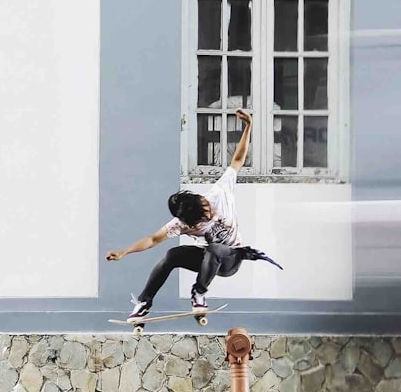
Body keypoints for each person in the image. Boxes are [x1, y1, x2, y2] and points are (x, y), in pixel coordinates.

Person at [106, 109, 282, 322]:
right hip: (207, 261)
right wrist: (125, 252)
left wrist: (248, 127)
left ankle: (199, 292)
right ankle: (144, 303)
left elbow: (237, 159)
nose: (210, 213)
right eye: (204, 218)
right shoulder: (181, 224)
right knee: (172, 255)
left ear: (201, 199)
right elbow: (153, 239)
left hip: (231, 259)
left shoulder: (220, 192)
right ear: (190, 222)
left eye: (206, 207)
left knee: (215, 248)